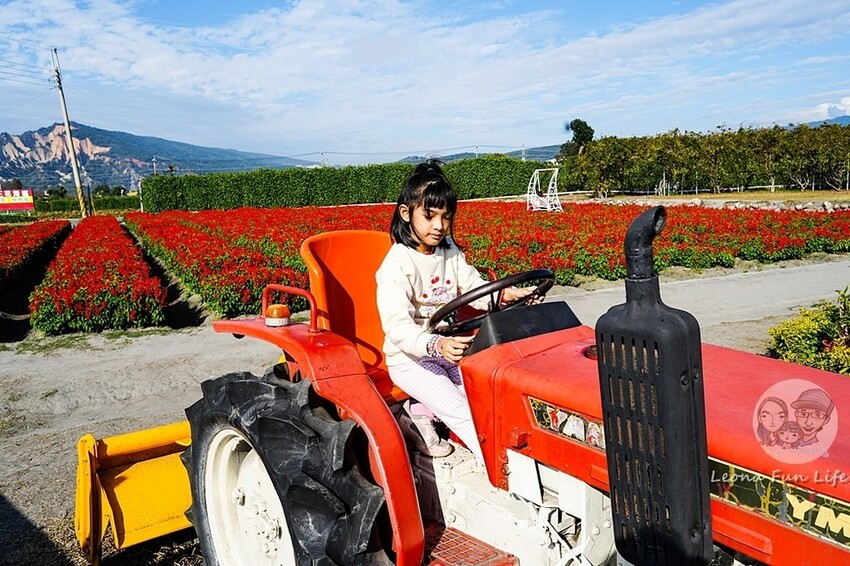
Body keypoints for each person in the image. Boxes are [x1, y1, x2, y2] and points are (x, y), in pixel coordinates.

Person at [376, 159, 537, 461]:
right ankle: (500, 473)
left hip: (449, 349)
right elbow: (397, 327)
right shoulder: (397, 264)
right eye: (429, 216)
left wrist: (509, 295)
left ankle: (420, 410)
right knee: (465, 414)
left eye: (446, 217)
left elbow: (474, 287)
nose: (439, 226)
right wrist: (436, 344)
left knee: (490, 395)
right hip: (410, 359)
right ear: (406, 213)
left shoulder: (449, 251)